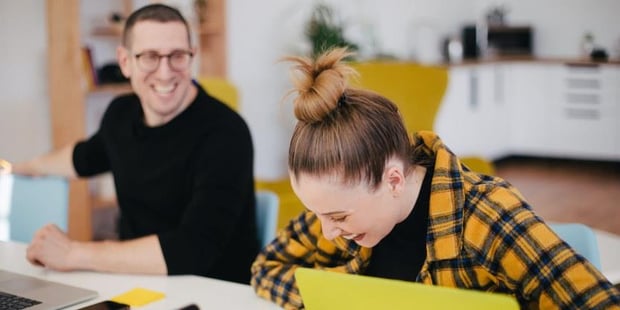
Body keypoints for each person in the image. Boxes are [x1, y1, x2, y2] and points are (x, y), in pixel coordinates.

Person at [250, 47, 620, 308]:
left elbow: (598, 303)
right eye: (318, 214)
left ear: (393, 180)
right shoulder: (338, 211)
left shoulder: (487, 215)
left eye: (339, 217)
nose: (327, 231)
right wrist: (332, 297)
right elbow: (266, 269)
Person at [11, 4, 258, 284]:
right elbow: (84, 157)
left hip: (212, 292)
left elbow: (193, 248)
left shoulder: (226, 133)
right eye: (150, 57)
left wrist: (73, 253)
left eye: (177, 56)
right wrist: (20, 167)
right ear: (125, 62)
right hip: (134, 286)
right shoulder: (120, 114)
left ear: (192, 57)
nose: (165, 73)